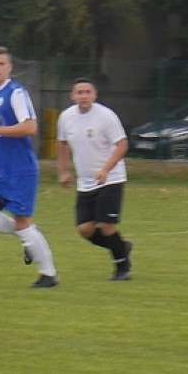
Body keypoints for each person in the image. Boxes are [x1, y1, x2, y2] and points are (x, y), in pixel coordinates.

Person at [0, 46, 58, 288]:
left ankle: (48, 274)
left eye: (1, 64)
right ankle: (29, 235)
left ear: (9, 68)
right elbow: (4, 133)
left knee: (22, 220)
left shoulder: (16, 92)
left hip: (21, 170)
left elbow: (30, 128)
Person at [56, 78, 134, 281]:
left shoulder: (106, 116)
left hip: (110, 179)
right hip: (85, 182)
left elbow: (122, 145)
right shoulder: (66, 117)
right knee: (85, 230)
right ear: (73, 96)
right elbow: (62, 144)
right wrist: (63, 171)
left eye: (87, 92)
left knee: (106, 226)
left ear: (94, 95)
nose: (83, 96)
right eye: (79, 92)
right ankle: (121, 246)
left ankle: (122, 267)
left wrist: (106, 170)